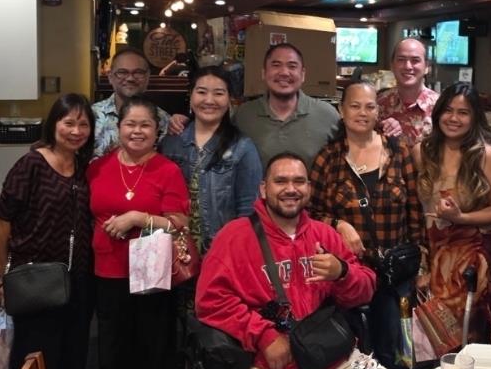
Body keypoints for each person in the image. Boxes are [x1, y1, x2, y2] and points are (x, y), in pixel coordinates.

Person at [195, 153, 375, 369]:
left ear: (309, 188)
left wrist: (342, 272)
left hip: (333, 358)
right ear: (263, 189)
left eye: (299, 181)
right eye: (280, 181)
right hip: (270, 366)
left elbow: (366, 290)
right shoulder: (234, 237)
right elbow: (210, 301)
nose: (291, 189)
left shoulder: (325, 234)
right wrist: (263, 335)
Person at [85, 95, 190, 369]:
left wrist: (136, 217)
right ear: (118, 127)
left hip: (151, 274)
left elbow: (178, 222)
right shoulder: (98, 167)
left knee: (151, 352)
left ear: (157, 132)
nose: (137, 131)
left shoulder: (167, 170)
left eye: (145, 125)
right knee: (111, 353)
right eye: (131, 124)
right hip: (107, 271)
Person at [0, 94, 95, 369]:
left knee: (73, 356)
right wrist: (4, 273)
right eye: (68, 122)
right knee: (35, 361)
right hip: (35, 279)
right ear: (53, 124)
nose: (76, 130)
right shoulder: (32, 164)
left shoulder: (83, 167)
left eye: (83, 124)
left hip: (78, 280)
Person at [309, 79, 426, 369]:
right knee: (353, 357)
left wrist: (423, 262)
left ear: (379, 112)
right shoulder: (329, 158)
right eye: (355, 106)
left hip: (395, 273)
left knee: (399, 355)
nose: (362, 113)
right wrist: (338, 223)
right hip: (348, 273)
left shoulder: (399, 151)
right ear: (341, 110)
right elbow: (310, 213)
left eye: (370, 106)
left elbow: (414, 209)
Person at [414, 85, 491, 348]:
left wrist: (461, 218)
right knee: (432, 334)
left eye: (463, 113)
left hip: (475, 259)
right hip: (434, 254)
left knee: (471, 336)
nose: (454, 118)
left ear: (474, 117)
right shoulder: (422, 152)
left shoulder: (487, 156)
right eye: (448, 110)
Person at [162, 64, 262, 257]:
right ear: (190, 96)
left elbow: (248, 211)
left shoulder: (242, 147)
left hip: (221, 255)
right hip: (174, 253)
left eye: (218, 93)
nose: (209, 100)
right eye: (201, 92)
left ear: (229, 99)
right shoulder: (171, 143)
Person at [231, 44, 340, 169]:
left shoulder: (327, 115)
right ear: (264, 73)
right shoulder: (243, 116)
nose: (284, 72)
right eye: (276, 65)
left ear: (303, 74)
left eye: (292, 66)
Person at [91, 49, 171, 156]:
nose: (130, 78)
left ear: (147, 77)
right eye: (122, 72)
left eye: (138, 72)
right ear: (110, 76)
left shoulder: (163, 120)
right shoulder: (91, 115)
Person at [376, 36, 438, 149]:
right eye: (401, 59)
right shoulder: (377, 104)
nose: (408, 66)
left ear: (427, 67)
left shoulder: (441, 106)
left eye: (415, 60)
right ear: (392, 65)